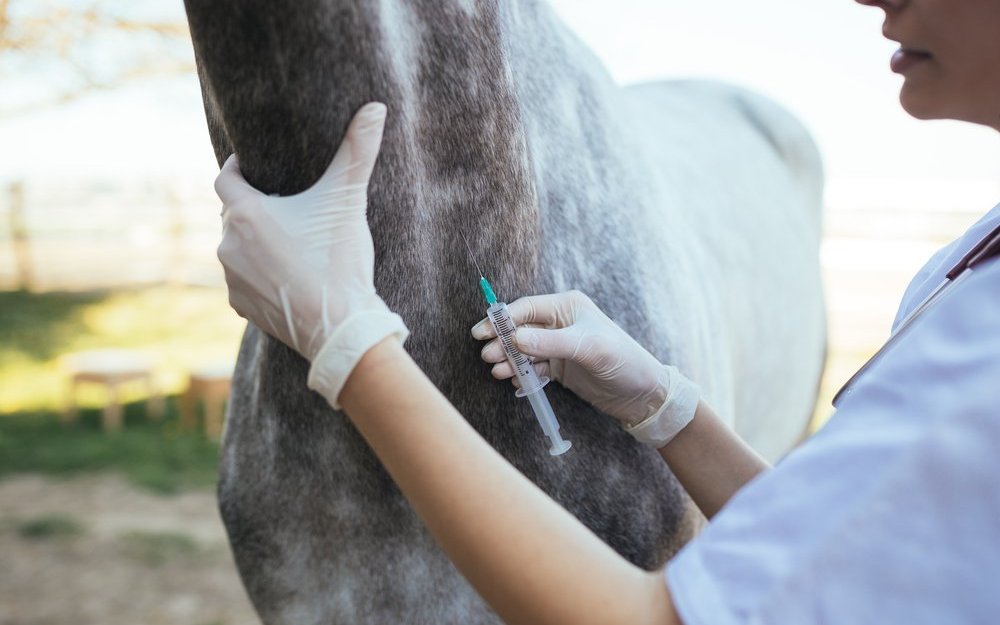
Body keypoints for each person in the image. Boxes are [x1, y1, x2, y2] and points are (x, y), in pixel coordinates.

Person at [213, 0, 1000, 623]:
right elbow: (855, 571)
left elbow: (654, 618)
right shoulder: (975, 254)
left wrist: (347, 337)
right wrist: (665, 405)